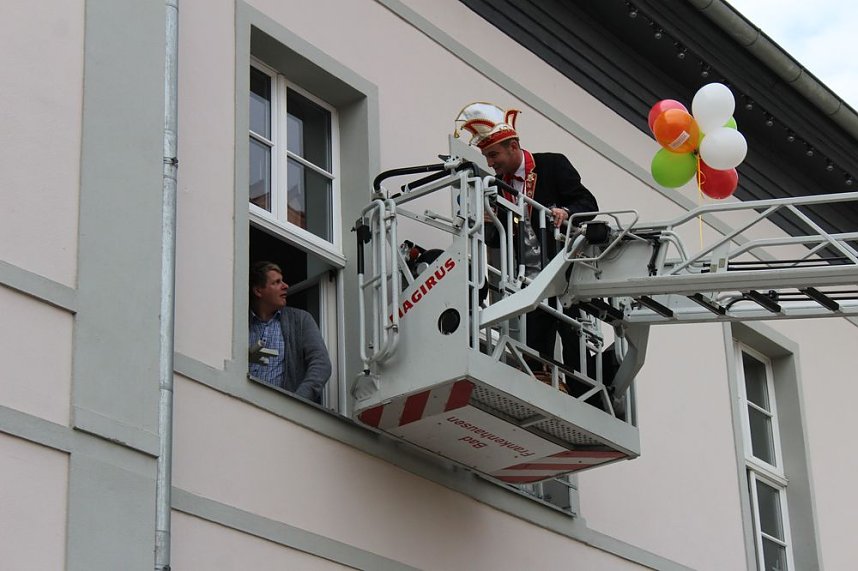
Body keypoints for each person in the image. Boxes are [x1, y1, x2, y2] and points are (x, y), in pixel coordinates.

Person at [454, 102, 599, 388]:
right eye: (486, 157)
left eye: (493, 154)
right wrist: (488, 221)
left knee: (573, 334)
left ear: (513, 145)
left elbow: (588, 203)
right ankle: (545, 382)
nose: (491, 163)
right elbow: (499, 239)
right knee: (534, 339)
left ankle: (585, 390)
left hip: (563, 268)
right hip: (527, 276)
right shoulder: (497, 186)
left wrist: (565, 212)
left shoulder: (552, 164)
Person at [249, 261, 331, 404]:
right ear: (258, 291)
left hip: (282, 415)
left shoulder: (300, 320)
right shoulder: (239, 322)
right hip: (242, 409)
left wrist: (297, 403)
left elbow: (321, 364)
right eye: (277, 282)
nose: (285, 286)